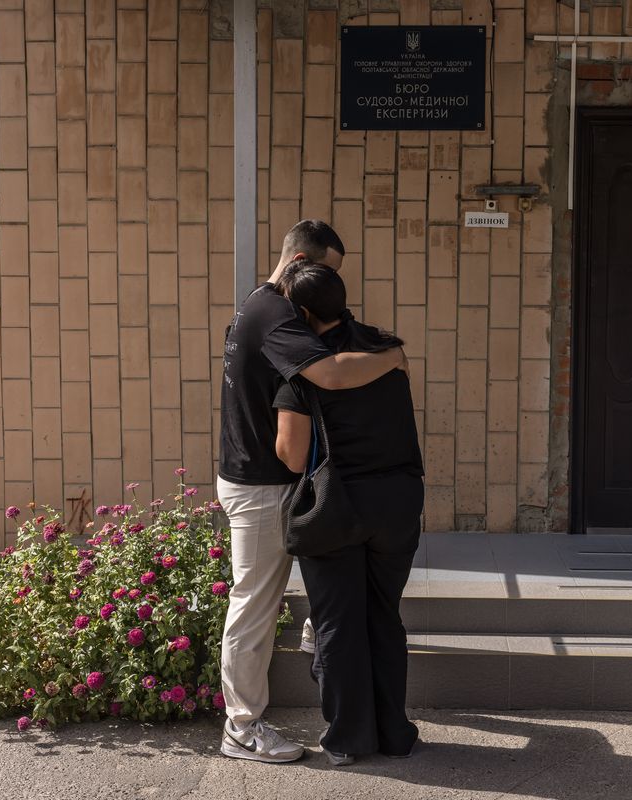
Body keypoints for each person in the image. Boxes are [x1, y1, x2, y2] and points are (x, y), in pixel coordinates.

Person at [217, 220, 407, 764]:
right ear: (300, 259)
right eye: (324, 271)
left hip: (271, 480)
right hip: (260, 484)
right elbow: (330, 376)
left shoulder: (257, 302)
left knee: (302, 583)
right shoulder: (278, 316)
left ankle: (315, 637)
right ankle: (242, 727)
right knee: (253, 604)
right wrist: (393, 357)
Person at [272, 261, 424, 766]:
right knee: (383, 615)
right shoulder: (384, 349)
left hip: (337, 506)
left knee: (337, 622)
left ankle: (348, 739)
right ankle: (393, 733)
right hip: (397, 500)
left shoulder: (304, 369)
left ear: (301, 312)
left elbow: (293, 456)